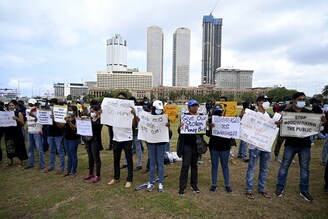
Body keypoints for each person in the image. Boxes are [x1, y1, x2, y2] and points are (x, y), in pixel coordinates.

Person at [275, 92, 327, 202]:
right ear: (294, 100)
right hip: (290, 144)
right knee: (284, 167)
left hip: (305, 145)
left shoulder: (309, 113)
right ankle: (280, 187)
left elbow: (323, 121)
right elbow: (278, 123)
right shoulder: (287, 113)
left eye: (303, 99)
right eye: (300, 99)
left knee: (305, 169)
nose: (302, 101)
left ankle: (304, 190)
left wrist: (322, 117)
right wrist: (279, 123)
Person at [245, 95, 276, 199]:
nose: (266, 102)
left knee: (264, 169)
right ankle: (249, 189)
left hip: (266, 146)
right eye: (264, 101)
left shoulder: (271, 116)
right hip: (254, 146)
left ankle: (262, 188)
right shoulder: (252, 115)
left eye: (267, 101)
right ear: (258, 102)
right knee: (252, 168)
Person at [108, 92, 138, 188]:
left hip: (127, 138)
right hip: (116, 138)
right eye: (118, 98)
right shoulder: (114, 110)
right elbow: (108, 122)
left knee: (129, 159)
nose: (120, 99)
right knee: (116, 159)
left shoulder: (130, 110)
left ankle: (129, 179)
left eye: (122, 98)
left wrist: (134, 115)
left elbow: (134, 125)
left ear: (126, 100)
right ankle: (116, 177)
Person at [178, 99, 203, 196]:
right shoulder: (185, 117)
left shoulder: (201, 117)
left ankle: (194, 184)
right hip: (187, 145)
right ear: (189, 107)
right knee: (185, 165)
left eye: (196, 105)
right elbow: (180, 132)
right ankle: (182, 187)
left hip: (196, 145)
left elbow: (203, 132)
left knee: (194, 165)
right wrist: (180, 127)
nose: (195, 107)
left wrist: (206, 126)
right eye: (193, 106)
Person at [207, 104, 232, 193]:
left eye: (219, 111)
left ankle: (227, 184)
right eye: (216, 111)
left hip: (225, 146)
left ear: (222, 112)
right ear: (213, 111)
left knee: (225, 165)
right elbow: (207, 134)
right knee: (214, 165)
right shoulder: (210, 120)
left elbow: (232, 132)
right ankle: (214, 184)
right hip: (214, 146)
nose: (218, 113)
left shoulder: (227, 120)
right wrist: (210, 127)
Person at [146, 100, 170, 192]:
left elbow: (168, 132)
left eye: (160, 109)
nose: (159, 111)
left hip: (161, 142)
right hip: (151, 142)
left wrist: (168, 126)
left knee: (160, 163)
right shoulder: (149, 117)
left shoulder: (164, 118)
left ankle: (160, 182)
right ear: (153, 108)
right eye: (157, 109)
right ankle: (151, 182)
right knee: (152, 162)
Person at [44, 98, 65, 174]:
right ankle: (51, 165)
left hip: (58, 133)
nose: (51, 106)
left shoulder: (60, 111)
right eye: (50, 104)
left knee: (60, 150)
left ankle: (61, 167)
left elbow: (62, 123)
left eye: (52, 104)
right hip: (50, 133)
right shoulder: (47, 111)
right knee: (51, 150)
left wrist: (55, 118)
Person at [4, 100, 28, 166]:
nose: (11, 107)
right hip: (8, 131)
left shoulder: (19, 113)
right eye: (10, 105)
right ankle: (11, 161)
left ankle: (21, 161)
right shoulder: (5, 113)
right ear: (8, 106)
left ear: (15, 106)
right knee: (9, 146)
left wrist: (17, 119)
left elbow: (22, 123)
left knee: (19, 145)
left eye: (12, 105)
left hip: (17, 132)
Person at [83, 105, 103, 183]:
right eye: (90, 111)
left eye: (93, 111)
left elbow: (97, 127)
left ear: (98, 111)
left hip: (95, 140)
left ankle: (98, 175)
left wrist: (88, 120)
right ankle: (91, 173)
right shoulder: (91, 118)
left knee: (96, 157)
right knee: (90, 156)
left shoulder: (100, 120)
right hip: (88, 139)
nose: (91, 113)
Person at [24, 99, 45, 170]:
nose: (30, 106)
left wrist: (36, 117)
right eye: (29, 104)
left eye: (32, 105)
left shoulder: (40, 111)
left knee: (39, 149)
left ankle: (41, 165)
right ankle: (31, 163)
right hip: (30, 131)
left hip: (37, 132)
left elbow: (42, 120)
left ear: (36, 105)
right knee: (30, 149)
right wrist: (27, 128)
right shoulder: (27, 111)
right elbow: (28, 120)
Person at [273, 97, 293, 163]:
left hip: (290, 128)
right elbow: (277, 116)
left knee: (290, 143)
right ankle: (276, 156)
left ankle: (289, 157)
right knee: (279, 142)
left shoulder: (294, 109)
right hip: (283, 128)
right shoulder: (283, 107)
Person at [63, 105, 80, 177]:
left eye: (70, 110)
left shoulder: (77, 119)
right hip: (66, 138)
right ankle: (68, 171)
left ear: (75, 111)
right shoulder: (67, 118)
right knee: (68, 155)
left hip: (74, 139)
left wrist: (69, 122)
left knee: (73, 155)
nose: (69, 112)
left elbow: (75, 129)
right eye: (68, 110)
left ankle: (74, 171)